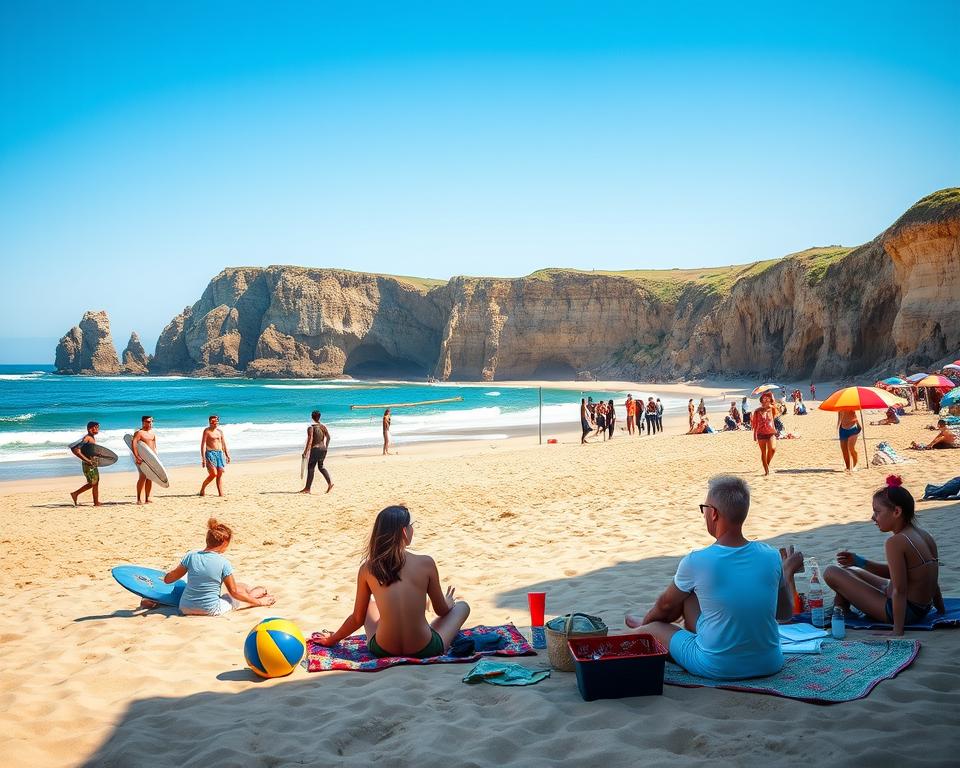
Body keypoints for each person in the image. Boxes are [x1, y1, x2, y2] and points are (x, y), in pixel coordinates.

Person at [625, 475, 802, 680]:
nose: (704, 515)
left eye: (704, 509)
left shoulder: (697, 560)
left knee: (655, 627)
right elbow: (785, 612)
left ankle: (643, 626)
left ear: (714, 514)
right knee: (691, 596)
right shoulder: (771, 556)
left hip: (718, 666)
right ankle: (671, 630)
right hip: (769, 662)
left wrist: (647, 625)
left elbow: (664, 605)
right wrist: (786, 572)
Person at [315, 505, 470, 658]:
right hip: (425, 649)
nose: (412, 529)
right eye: (411, 526)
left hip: (382, 650)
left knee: (368, 605)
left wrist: (332, 639)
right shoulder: (426, 563)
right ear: (404, 531)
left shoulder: (367, 568)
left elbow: (357, 618)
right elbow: (441, 611)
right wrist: (448, 602)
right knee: (462, 607)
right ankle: (422, 630)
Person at [824, 476, 944, 635]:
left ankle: (841, 610)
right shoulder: (924, 535)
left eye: (877, 512)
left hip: (904, 612)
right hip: (921, 608)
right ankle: (841, 608)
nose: (873, 517)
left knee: (831, 572)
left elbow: (900, 590)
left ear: (896, 511)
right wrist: (858, 561)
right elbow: (929, 578)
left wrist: (897, 631)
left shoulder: (895, 542)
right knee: (852, 571)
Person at [153, 518, 276, 614]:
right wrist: (259, 603)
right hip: (211, 610)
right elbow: (234, 592)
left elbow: (169, 579)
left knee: (186, 582)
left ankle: (151, 601)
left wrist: (163, 576)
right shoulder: (224, 563)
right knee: (235, 593)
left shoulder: (190, 556)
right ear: (224, 543)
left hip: (185, 608)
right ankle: (256, 597)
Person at [69, 421, 102, 506]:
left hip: (92, 463)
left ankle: (96, 502)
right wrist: (88, 461)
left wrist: (96, 454)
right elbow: (77, 450)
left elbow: (87, 451)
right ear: (90, 429)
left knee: (96, 482)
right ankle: (75, 494)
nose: (98, 429)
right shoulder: (87, 438)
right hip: (88, 464)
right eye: (96, 427)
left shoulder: (92, 438)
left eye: (98, 427)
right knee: (92, 483)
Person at [301, 410, 333, 493]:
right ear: (319, 417)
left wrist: (305, 451)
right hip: (323, 449)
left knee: (311, 468)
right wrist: (326, 447)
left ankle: (307, 488)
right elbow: (329, 438)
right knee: (321, 467)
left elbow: (310, 439)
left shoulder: (311, 427)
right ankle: (330, 483)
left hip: (315, 449)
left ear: (312, 417)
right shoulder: (323, 427)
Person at [199, 415, 231, 497]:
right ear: (209, 422)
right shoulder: (207, 431)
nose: (214, 423)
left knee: (219, 474)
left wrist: (227, 455)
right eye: (212, 422)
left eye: (216, 421)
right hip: (210, 454)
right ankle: (202, 488)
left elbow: (223, 444)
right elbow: (202, 445)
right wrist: (203, 459)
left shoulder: (220, 432)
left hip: (219, 454)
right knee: (213, 474)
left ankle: (221, 494)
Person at [131, 415, 158, 504]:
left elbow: (154, 446)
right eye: (147, 421)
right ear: (143, 422)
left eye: (151, 421)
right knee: (142, 477)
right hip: (141, 458)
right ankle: (138, 499)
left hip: (151, 459)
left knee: (149, 478)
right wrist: (137, 456)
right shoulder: (139, 433)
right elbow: (134, 444)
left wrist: (156, 458)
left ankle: (147, 498)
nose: (150, 423)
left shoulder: (153, 433)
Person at [752, 392, 778, 475]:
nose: (766, 399)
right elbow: (755, 424)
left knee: (773, 449)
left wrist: (772, 397)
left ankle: (767, 464)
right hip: (761, 434)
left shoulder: (772, 409)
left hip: (771, 433)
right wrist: (754, 435)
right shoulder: (757, 411)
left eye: (768, 398)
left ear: (770, 400)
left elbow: (774, 418)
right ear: (761, 400)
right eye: (764, 398)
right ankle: (766, 471)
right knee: (763, 452)